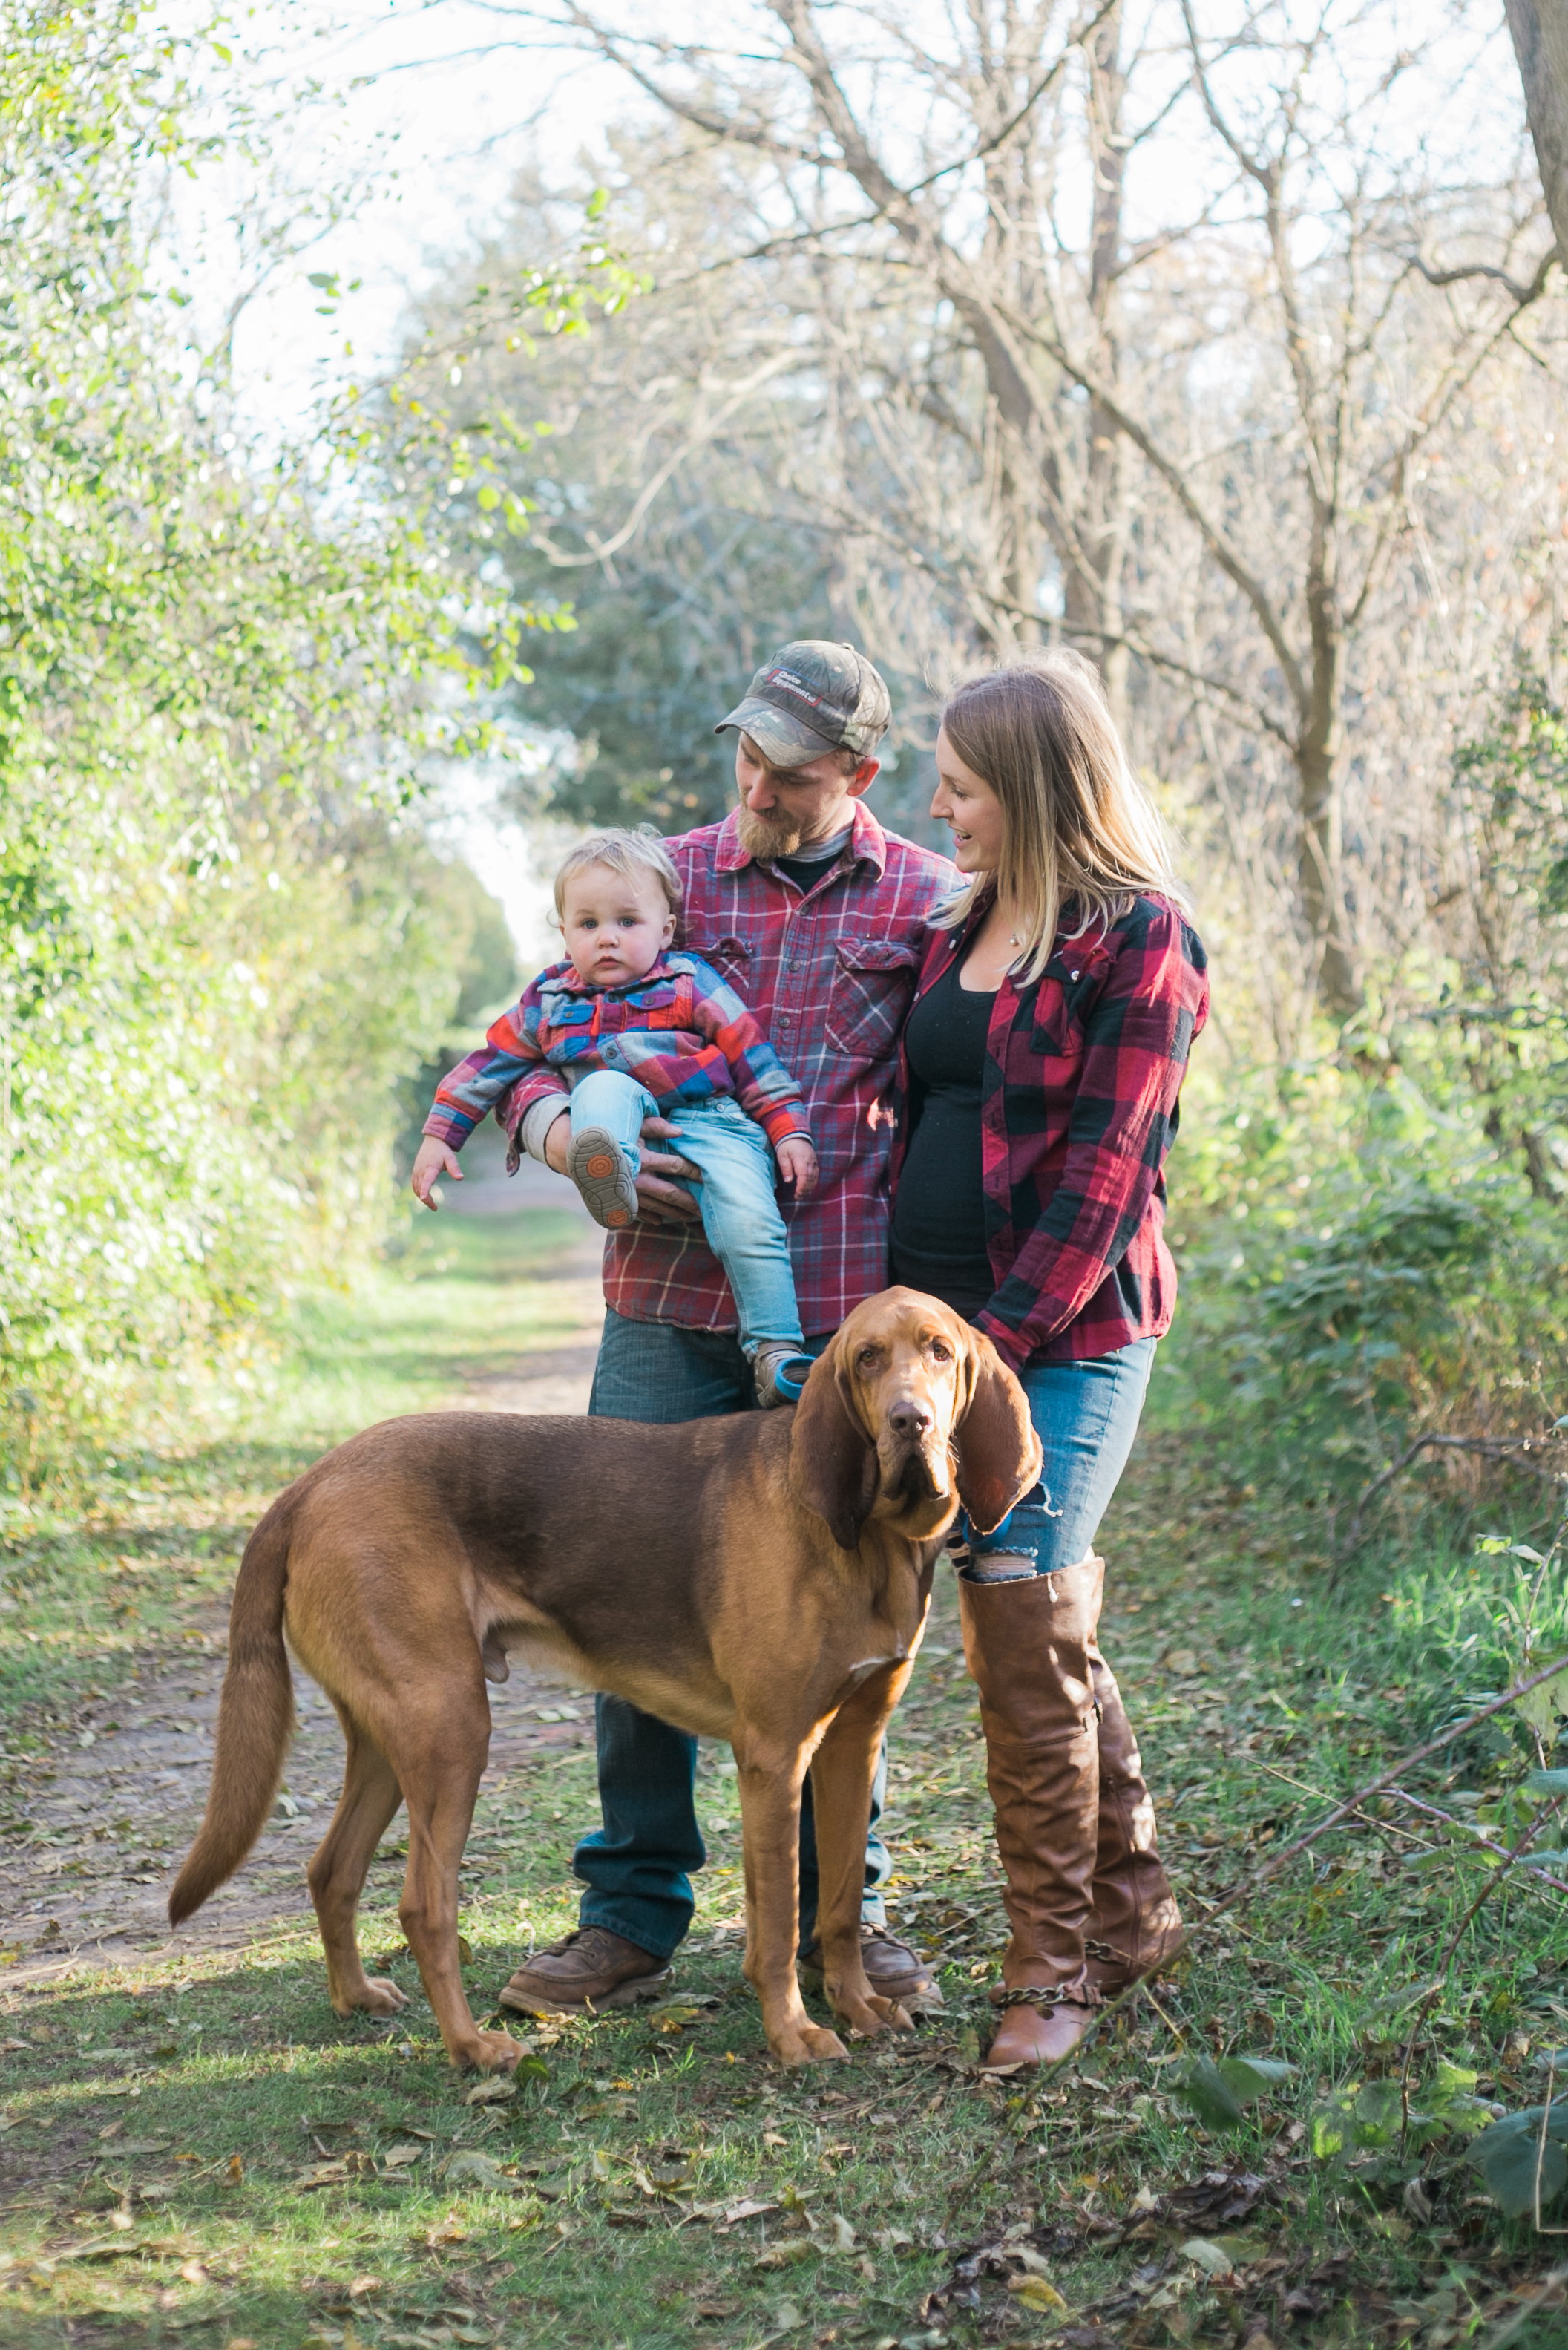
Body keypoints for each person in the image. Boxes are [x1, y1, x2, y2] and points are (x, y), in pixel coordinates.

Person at [491, 641, 955, 2020]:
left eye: (789, 770)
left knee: (849, 1621)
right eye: (744, 755)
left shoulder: (929, 902)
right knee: (621, 1599)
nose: (754, 784)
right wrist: (560, 1127)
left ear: (859, 777)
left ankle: (847, 1924)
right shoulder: (668, 876)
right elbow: (528, 1043)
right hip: (663, 1310)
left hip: (828, 1338)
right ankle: (630, 1912)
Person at [891, 652, 1209, 2069]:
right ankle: (1132, 1915)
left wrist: (992, 1353)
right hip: (948, 1334)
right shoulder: (962, 921)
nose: (940, 803)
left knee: (1019, 1609)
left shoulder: (1142, 937)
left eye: (961, 783)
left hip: (1063, 1334)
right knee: (1042, 1621)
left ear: (1028, 784)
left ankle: (1056, 1969)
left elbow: (1107, 1172)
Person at [411, 828, 820, 1406]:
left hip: (711, 1118)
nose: (608, 938)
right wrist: (438, 1134)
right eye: (588, 924)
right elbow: (490, 1063)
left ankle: (776, 1348)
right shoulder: (549, 998)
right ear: (563, 933)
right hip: (619, 1112)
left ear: (665, 929)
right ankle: (609, 1172)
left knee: (749, 1215)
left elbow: (751, 1053)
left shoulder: (688, 981)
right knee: (602, 1086)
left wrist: (787, 1128)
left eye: (627, 922)